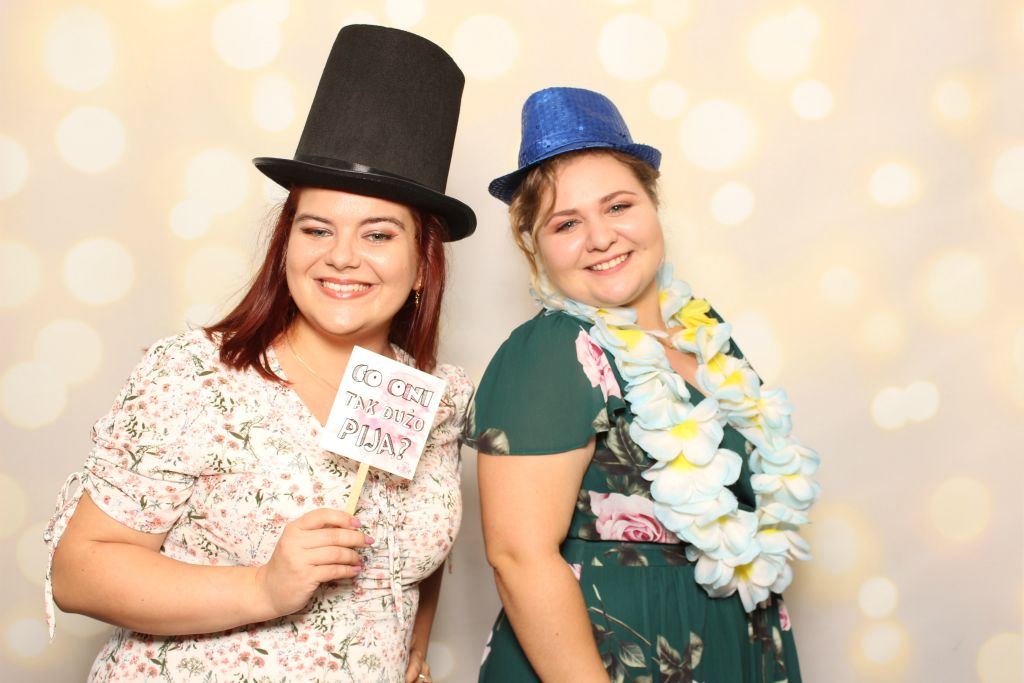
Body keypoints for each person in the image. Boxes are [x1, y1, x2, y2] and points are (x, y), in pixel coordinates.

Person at [45, 25, 475, 683]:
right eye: (317, 228)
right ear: (286, 246)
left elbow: (415, 552)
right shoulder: (195, 375)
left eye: (378, 234)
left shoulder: (434, 397)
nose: (342, 256)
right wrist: (262, 587)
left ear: (422, 263)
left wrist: (408, 649)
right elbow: (78, 572)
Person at [468, 87, 820, 682]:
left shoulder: (705, 335)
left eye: (618, 206)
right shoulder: (552, 351)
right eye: (566, 223)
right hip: (612, 658)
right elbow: (518, 556)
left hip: (732, 642)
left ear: (653, 205)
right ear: (535, 245)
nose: (600, 237)